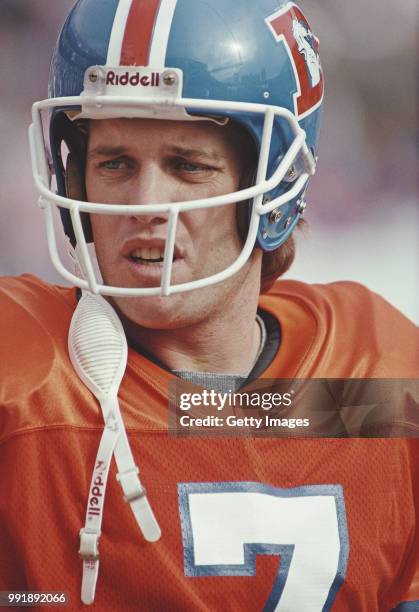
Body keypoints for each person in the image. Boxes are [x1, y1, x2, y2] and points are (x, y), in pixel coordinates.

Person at [1, 0, 418, 610]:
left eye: (187, 165)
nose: (146, 203)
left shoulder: (377, 379)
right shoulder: (23, 365)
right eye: (114, 163)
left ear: (273, 185)